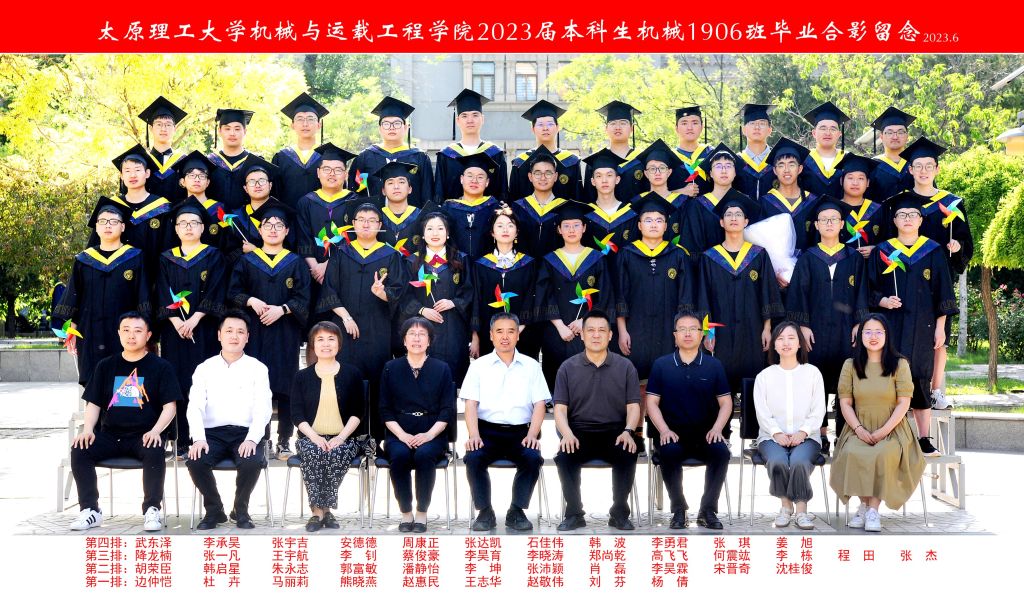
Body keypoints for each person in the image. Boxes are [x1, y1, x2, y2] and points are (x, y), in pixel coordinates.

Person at [68, 312, 180, 531]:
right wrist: (88, 429)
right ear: (118, 333)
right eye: (126, 330)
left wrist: (156, 431)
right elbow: (93, 403)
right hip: (111, 435)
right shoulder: (105, 366)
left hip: (144, 435)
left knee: (154, 447)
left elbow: (170, 407)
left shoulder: (161, 367)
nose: (131, 336)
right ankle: (90, 510)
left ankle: (152, 510)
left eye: (138, 331)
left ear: (148, 335)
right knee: (80, 448)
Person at [867, 194, 957, 456]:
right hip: (890, 326)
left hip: (923, 326)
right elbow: (868, 288)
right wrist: (883, 301)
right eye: (902, 215)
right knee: (889, 375)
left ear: (920, 220)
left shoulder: (933, 250)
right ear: (894, 220)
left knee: (920, 376)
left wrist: (941, 326)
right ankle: (887, 434)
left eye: (913, 215)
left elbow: (944, 291)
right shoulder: (883, 251)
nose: (907, 219)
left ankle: (924, 438)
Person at [891, 137, 973, 410]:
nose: (924, 171)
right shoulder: (902, 203)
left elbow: (965, 241)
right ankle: (901, 391)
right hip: (903, 276)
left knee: (939, 338)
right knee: (902, 334)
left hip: (938, 279)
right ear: (910, 170)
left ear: (937, 169)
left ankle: (935, 391)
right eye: (918, 166)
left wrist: (958, 247)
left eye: (929, 166)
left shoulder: (951, 203)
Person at [227, 201, 311, 459]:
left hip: (285, 331)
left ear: (287, 231)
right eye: (268, 225)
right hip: (254, 333)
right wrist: (250, 300)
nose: (273, 229)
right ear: (260, 230)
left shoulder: (296, 262)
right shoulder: (246, 261)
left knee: (286, 385)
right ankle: (260, 438)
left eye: (279, 225)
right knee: (256, 387)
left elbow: (304, 297)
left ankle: (284, 439)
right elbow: (233, 293)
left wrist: (283, 309)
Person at [786, 200, 870, 455]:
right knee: (816, 381)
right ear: (817, 225)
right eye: (824, 220)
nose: (829, 223)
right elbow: (798, 293)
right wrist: (802, 325)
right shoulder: (808, 258)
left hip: (847, 328)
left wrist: (859, 322)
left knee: (847, 380)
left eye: (834, 219)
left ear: (842, 224)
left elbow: (862, 291)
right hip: (816, 329)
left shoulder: (854, 257)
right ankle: (819, 433)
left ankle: (844, 434)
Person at [829, 314, 926, 532]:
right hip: (858, 426)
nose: (873, 336)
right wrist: (858, 429)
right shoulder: (850, 365)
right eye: (868, 332)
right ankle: (864, 506)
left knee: (883, 454)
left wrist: (883, 431)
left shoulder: (900, 364)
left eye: (878, 332)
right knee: (852, 452)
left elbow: (904, 403)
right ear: (860, 336)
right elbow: (845, 403)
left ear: (887, 335)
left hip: (893, 428)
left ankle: (872, 510)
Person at [318, 202, 408, 439]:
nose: (366, 224)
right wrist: (345, 317)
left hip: (378, 330)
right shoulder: (341, 253)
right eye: (361, 219)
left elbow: (399, 292)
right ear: (353, 224)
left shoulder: (391, 255)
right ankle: (346, 438)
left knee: (378, 383)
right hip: (345, 330)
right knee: (346, 381)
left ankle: (376, 439)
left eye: (372, 220)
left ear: (380, 225)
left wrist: (383, 293)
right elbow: (329, 290)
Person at [553, 309, 641, 532]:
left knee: (627, 451)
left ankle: (619, 513)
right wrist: (567, 434)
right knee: (564, 456)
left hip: (616, 431)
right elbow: (560, 410)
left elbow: (633, 407)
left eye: (602, 330)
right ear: (582, 335)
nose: (596, 335)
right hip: (578, 431)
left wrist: (629, 431)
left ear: (610, 335)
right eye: (590, 330)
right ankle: (574, 513)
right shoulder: (567, 367)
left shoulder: (625, 367)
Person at [462, 312, 550, 532]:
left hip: (520, 433)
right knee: (473, 457)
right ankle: (485, 512)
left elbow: (540, 404)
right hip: (486, 432)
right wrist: (474, 435)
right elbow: (470, 404)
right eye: (499, 331)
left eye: (511, 331)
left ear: (518, 335)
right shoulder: (479, 366)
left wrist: (533, 434)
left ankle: (516, 511)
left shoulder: (531, 366)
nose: (505, 337)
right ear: (491, 335)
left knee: (532, 457)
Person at [187, 310, 273, 530]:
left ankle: (240, 509)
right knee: (196, 460)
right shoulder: (204, 368)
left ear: (247, 337)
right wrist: (198, 438)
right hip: (212, 434)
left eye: (240, 332)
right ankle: (214, 510)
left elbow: (263, 408)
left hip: (244, 433)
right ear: (219, 335)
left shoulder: (258, 368)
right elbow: (195, 406)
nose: (234, 336)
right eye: (229, 331)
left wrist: (252, 439)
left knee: (251, 461)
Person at [645, 311, 732, 530]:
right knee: (668, 451)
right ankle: (678, 509)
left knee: (721, 452)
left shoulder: (714, 365)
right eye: (682, 329)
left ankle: (707, 510)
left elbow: (726, 403)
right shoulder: (661, 365)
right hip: (673, 434)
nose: (687, 333)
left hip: (706, 434)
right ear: (674, 335)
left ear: (702, 334)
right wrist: (664, 430)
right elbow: (651, 402)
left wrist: (717, 429)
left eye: (693, 329)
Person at [156, 197, 227, 458]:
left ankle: (205, 438)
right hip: (174, 332)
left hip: (204, 329)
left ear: (203, 228)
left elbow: (217, 288)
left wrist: (195, 318)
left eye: (194, 223)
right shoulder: (166, 258)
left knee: (204, 383)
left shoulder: (214, 255)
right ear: (175, 229)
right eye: (183, 223)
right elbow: (162, 291)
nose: (188, 227)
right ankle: (179, 439)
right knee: (176, 382)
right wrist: (176, 320)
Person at [55, 197, 150, 387]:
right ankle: (94, 408)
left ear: (123, 227)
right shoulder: (84, 260)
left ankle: (124, 409)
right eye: (103, 221)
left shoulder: (135, 257)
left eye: (114, 221)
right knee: (93, 384)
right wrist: (71, 329)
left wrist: (145, 331)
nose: (108, 225)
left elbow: (143, 295)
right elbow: (74, 294)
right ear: (96, 228)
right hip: (90, 331)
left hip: (125, 332)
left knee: (125, 385)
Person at [697, 194, 783, 394]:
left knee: (753, 379)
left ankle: (750, 416)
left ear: (746, 222)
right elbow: (703, 297)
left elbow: (767, 292)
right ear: (721, 222)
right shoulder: (709, 258)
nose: (733, 218)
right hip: (721, 330)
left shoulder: (759, 255)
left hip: (753, 328)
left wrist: (767, 328)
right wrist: (708, 332)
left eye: (738, 214)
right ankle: (723, 416)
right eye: (728, 214)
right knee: (721, 381)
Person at [378, 318, 456, 533]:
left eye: (422, 334)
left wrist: (429, 435)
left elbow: (447, 410)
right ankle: (406, 513)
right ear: (404, 340)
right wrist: (402, 435)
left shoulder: (442, 368)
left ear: (429, 341)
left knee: (424, 455)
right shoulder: (391, 368)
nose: (417, 338)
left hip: (432, 432)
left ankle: (421, 512)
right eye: (412, 334)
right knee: (399, 455)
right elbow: (385, 409)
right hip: (398, 431)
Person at [290, 321, 367, 532]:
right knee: (314, 452)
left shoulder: (352, 374)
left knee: (335, 452)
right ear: (313, 345)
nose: (326, 344)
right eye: (320, 339)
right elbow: (297, 414)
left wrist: (340, 438)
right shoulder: (301, 376)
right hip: (310, 438)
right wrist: (315, 437)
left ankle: (322, 511)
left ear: (339, 344)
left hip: (345, 438)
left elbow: (358, 412)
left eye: (331, 339)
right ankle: (320, 511)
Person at [752, 321, 826, 530]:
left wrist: (803, 432)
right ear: (774, 345)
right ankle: (786, 506)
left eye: (791, 338)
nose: (786, 343)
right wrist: (776, 433)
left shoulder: (812, 373)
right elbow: (762, 412)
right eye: (780, 339)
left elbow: (818, 409)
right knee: (777, 461)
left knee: (799, 461)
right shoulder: (764, 377)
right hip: (771, 438)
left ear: (800, 343)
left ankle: (801, 510)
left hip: (807, 437)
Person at [615, 196, 694, 384]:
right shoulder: (627, 254)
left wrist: (681, 332)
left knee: (669, 380)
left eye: (659, 220)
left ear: (666, 226)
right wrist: (622, 331)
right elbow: (620, 296)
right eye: (648, 220)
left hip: (669, 330)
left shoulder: (678, 254)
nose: (653, 225)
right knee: (635, 381)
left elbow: (686, 297)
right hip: (635, 329)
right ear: (639, 225)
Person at [536, 201, 614, 388]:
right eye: (566, 226)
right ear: (559, 230)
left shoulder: (596, 259)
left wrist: (585, 321)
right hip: (556, 331)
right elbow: (544, 295)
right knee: (556, 377)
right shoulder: (550, 260)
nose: (571, 230)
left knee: (587, 377)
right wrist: (560, 326)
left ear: (584, 228)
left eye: (576, 225)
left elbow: (604, 295)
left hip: (588, 330)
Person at [400, 212, 475, 385]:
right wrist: (421, 310)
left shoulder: (461, 259)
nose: (435, 233)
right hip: (422, 327)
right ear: (423, 234)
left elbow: (470, 291)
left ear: (447, 233)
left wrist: (453, 302)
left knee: (453, 377)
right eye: (430, 229)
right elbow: (404, 295)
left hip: (454, 328)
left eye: (440, 228)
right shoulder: (411, 262)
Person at [293, 142, 358, 328]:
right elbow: (303, 237)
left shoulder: (355, 201)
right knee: (315, 327)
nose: (332, 174)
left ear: (346, 174)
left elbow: (355, 238)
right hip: (312, 274)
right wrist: (315, 267)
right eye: (327, 169)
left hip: (344, 272)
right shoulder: (306, 202)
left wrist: (328, 266)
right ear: (318, 172)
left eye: (338, 170)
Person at [93, 145, 175, 287]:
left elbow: (168, 247)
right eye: (127, 171)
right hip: (117, 279)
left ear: (147, 173)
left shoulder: (162, 207)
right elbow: (97, 244)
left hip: (153, 279)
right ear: (121, 175)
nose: (132, 175)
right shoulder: (112, 207)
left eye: (137, 170)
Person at [471, 203, 540, 358]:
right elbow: (476, 301)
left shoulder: (528, 263)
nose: (505, 230)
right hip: (489, 335)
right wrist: (475, 336)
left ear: (517, 232)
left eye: (510, 225)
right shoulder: (481, 265)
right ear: (492, 232)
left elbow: (532, 297)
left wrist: (518, 329)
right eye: (500, 226)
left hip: (523, 334)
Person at [348, 96, 434, 207]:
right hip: (375, 217)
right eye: (386, 123)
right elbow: (357, 191)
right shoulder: (365, 158)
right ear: (380, 128)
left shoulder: (419, 158)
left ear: (406, 127)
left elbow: (427, 195)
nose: (391, 128)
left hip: (413, 217)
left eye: (397, 123)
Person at [434, 89, 508, 201]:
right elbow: (439, 195)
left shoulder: (495, 154)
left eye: (475, 115)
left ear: (482, 119)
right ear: (457, 121)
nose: (470, 120)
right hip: (452, 212)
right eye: (464, 116)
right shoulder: (446, 155)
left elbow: (502, 194)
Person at [679, 143, 748, 261]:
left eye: (728, 166)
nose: (724, 170)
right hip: (706, 269)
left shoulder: (745, 202)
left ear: (735, 172)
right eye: (718, 166)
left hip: (742, 268)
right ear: (710, 173)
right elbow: (691, 248)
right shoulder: (696, 206)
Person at [508, 100, 582, 201]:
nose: (545, 128)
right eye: (540, 124)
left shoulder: (571, 161)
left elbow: (578, 198)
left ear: (557, 128)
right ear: (533, 129)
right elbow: (513, 200)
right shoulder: (520, 163)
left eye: (550, 124)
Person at [222, 157, 289, 265]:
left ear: (270, 185)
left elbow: (290, 251)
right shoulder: (235, 218)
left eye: (262, 181)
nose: (257, 185)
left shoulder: (284, 215)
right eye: (252, 182)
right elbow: (228, 254)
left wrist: (256, 252)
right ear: (245, 188)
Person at [760, 137, 819, 254]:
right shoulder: (765, 202)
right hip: (775, 264)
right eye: (781, 165)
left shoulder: (812, 202)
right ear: (775, 170)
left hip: (808, 263)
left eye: (791, 165)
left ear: (800, 169)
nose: (786, 170)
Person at [511, 146, 571, 258]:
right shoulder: (518, 208)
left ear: (555, 176)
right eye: (537, 173)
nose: (543, 178)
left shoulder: (565, 208)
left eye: (548, 173)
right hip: (523, 266)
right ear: (530, 177)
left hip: (556, 267)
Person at [273, 92, 330, 208]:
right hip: (288, 217)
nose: (305, 124)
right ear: (292, 125)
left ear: (318, 125)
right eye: (300, 119)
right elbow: (275, 193)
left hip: (322, 217)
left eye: (310, 119)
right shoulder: (282, 157)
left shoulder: (328, 155)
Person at [441, 152, 502, 260]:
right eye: (470, 176)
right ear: (461, 179)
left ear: (487, 182)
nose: (474, 180)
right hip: (455, 265)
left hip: (487, 265)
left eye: (480, 177)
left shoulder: (495, 208)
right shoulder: (448, 208)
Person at [582, 101, 646, 202]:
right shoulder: (594, 161)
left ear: (631, 128)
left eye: (623, 123)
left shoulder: (643, 159)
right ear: (606, 129)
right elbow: (589, 197)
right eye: (613, 123)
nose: (618, 127)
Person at [580, 148, 638, 254]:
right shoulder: (586, 214)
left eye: (609, 175)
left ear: (617, 179)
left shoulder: (631, 214)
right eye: (599, 176)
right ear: (593, 181)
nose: (604, 180)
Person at [629, 139, 687, 243]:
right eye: (652, 169)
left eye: (662, 168)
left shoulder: (682, 202)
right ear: (646, 174)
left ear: (669, 172)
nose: (657, 173)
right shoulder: (637, 201)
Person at [374, 161, 435, 255]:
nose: (396, 186)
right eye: (390, 183)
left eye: (401, 182)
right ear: (383, 191)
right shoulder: (376, 218)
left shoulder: (422, 217)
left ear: (410, 189)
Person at [137, 96, 189, 203]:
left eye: (168, 125)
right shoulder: (141, 161)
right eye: (159, 124)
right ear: (151, 128)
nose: (163, 129)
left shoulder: (183, 161)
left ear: (175, 129)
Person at [175, 151, 230, 251]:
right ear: (183, 182)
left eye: (202, 176)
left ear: (208, 182)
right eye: (191, 175)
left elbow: (228, 241)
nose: (197, 179)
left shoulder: (220, 209)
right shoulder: (176, 209)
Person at [208, 108, 260, 211]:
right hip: (214, 218)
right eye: (227, 129)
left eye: (237, 129)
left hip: (248, 219)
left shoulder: (256, 162)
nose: (232, 133)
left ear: (245, 131)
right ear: (219, 131)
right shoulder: (209, 162)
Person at [832, 153, 884, 258]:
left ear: (868, 183)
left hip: (872, 266)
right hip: (842, 265)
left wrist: (876, 249)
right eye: (850, 178)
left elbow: (890, 241)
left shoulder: (878, 209)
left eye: (861, 178)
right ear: (841, 181)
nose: (855, 183)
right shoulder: (833, 209)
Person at [800, 101, 851, 198]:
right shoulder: (803, 159)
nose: (828, 133)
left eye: (833, 129)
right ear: (814, 133)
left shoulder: (848, 159)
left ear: (839, 134)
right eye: (823, 128)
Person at [867, 106, 916, 202]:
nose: (895, 137)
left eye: (900, 132)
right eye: (889, 133)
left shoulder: (917, 164)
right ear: (881, 137)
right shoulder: (872, 166)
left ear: (907, 136)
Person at [667, 105, 716, 198]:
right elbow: (657, 193)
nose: (689, 128)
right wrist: (679, 192)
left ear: (702, 127)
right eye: (684, 123)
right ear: (676, 128)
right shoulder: (668, 157)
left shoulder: (712, 154)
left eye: (695, 123)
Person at [734, 103, 776, 201]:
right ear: (743, 130)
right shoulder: (735, 162)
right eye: (752, 123)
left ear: (770, 130)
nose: (757, 127)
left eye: (762, 123)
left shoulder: (777, 161)